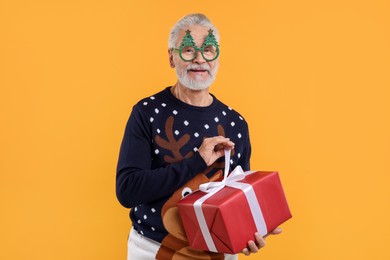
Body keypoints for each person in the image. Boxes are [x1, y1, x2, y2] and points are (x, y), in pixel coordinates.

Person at [116, 13, 281, 260]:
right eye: (188, 50)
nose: (200, 59)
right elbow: (127, 191)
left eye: (209, 50)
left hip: (218, 253)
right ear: (171, 57)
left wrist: (250, 232)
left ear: (218, 58)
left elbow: (239, 198)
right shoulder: (147, 112)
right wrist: (197, 161)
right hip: (152, 250)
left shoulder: (236, 123)